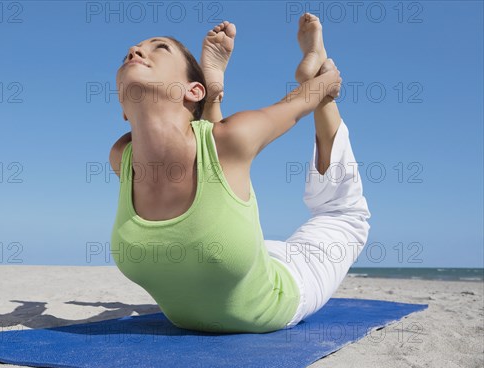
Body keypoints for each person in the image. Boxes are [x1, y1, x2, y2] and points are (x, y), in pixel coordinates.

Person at [110, 13, 371, 333]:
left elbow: (299, 104)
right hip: (239, 253)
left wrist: (321, 78)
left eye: (159, 47)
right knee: (215, 149)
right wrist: (209, 98)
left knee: (342, 211)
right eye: (129, 53)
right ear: (123, 108)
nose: (135, 52)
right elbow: (187, 147)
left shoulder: (233, 138)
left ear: (192, 91)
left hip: (285, 283)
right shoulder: (122, 158)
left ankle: (312, 61)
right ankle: (214, 91)